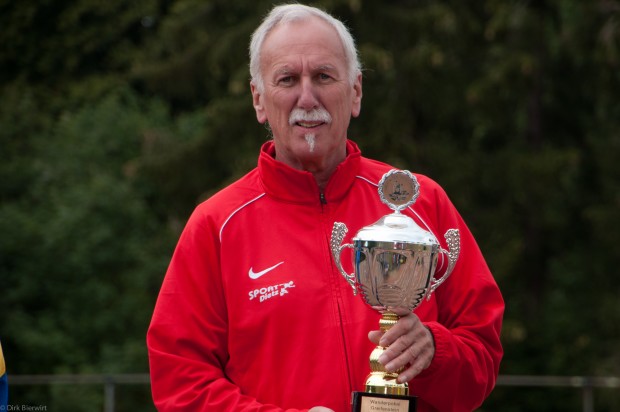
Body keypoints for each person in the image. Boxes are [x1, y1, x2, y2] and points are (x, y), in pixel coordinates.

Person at [147, 4, 504, 411]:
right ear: (259, 100)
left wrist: (435, 352)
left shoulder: (420, 203)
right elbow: (181, 382)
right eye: (287, 79)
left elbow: (483, 355)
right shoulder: (216, 225)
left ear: (355, 92)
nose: (307, 97)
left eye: (323, 76)